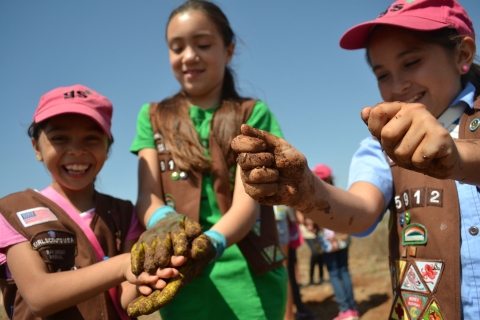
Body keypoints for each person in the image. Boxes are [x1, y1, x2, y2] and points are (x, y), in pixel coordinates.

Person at [231, 0, 480, 319]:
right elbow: (360, 211)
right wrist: (306, 190)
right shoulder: (381, 146)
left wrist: (456, 158)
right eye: (382, 74)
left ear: (462, 54)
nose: (398, 85)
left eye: (411, 62)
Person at [129, 1, 287, 319]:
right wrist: (165, 221)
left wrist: (211, 244)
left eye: (202, 44)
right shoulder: (152, 117)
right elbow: (147, 193)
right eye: (177, 48)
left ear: (228, 51)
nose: (189, 56)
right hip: (178, 277)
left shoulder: (253, 114)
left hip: (249, 278)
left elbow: (249, 202)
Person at [0, 84, 180, 319]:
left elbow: (126, 299)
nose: (76, 150)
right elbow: (38, 296)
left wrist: (154, 273)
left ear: (108, 149)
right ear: (37, 147)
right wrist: (122, 265)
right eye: (60, 138)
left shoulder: (125, 213)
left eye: (91, 139)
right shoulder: (13, 210)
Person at [312, 164, 357, 320]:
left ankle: (345, 310)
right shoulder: (339, 194)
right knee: (344, 271)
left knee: (334, 274)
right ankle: (352, 310)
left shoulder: (314, 198)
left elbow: (311, 223)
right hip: (342, 239)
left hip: (327, 243)